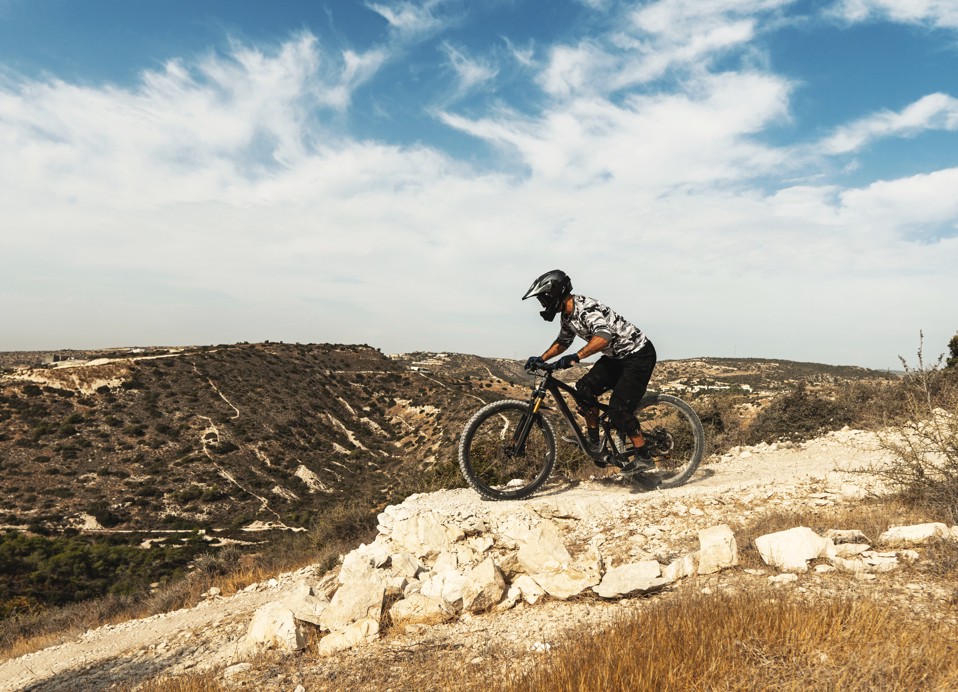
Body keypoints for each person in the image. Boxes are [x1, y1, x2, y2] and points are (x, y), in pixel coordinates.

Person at [522, 269, 657, 472]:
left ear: (555, 293)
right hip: (616, 357)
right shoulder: (567, 316)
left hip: (637, 355)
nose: (542, 304)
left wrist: (577, 357)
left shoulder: (586, 308)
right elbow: (562, 342)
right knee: (584, 388)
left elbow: (604, 336)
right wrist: (541, 359)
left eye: (543, 299)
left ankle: (644, 456)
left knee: (618, 408)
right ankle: (594, 443)